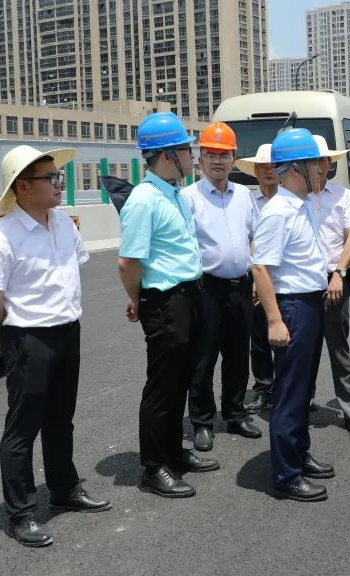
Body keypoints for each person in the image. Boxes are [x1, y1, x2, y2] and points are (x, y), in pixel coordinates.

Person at [0, 145, 110, 547]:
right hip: (28, 337)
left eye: (58, 176)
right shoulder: (0, 238)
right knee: (23, 427)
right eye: (50, 178)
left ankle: (64, 489)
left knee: (60, 419)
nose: (59, 183)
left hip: (67, 331)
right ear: (22, 187)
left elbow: (71, 269)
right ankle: (21, 513)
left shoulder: (63, 224)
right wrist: (5, 334)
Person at [117, 112, 220, 499]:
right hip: (165, 301)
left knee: (181, 380)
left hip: (189, 295)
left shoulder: (173, 192)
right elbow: (128, 262)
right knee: (162, 386)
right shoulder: (144, 200)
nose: (193, 156)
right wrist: (138, 299)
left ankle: (174, 452)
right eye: (186, 149)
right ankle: (154, 465)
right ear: (166, 155)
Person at [252, 128, 335, 502]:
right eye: (316, 163)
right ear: (298, 167)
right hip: (293, 307)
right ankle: (287, 475)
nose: (321, 169)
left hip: (310, 304)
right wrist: (274, 320)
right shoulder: (278, 212)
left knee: (303, 389)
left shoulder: (301, 206)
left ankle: (299, 454)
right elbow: (260, 268)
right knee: (289, 392)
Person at [181, 122, 262, 452]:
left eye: (224, 155)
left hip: (241, 287)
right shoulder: (188, 197)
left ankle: (235, 412)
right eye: (211, 155)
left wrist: (256, 276)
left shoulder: (244, 195)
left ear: (234, 159)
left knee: (238, 356)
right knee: (203, 358)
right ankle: (202, 421)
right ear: (200, 159)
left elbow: (254, 237)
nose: (218, 161)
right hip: (206, 289)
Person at [307, 135, 350, 437]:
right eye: (312, 160)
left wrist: (339, 273)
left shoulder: (342, 195)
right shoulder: (294, 196)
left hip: (334, 278)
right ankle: (301, 403)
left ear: (330, 163)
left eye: (322, 160)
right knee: (303, 348)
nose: (318, 166)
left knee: (339, 348)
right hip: (301, 282)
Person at [237, 144, 278, 414]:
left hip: (285, 277)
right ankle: (264, 389)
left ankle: (296, 390)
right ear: (255, 170)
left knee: (290, 336)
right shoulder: (248, 201)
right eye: (262, 166)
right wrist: (253, 276)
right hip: (256, 277)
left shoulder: (293, 198)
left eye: (273, 165)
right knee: (259, 339)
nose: (268, 171)